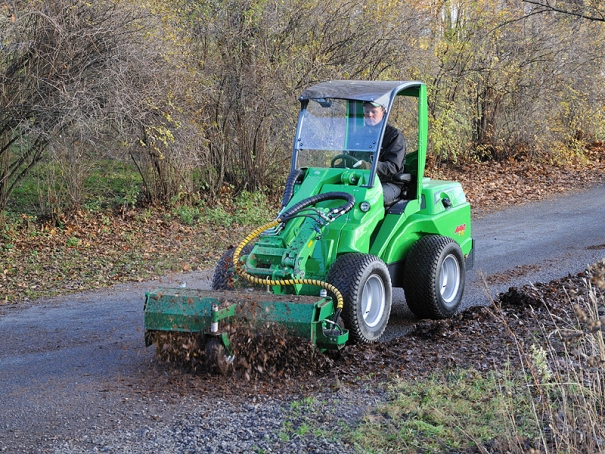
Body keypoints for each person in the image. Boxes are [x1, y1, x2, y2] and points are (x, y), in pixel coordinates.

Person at [352, 101, 407, 204]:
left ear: (383, 112)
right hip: (360, 180)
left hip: (388, 182)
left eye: (373, 111)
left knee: (371, 200)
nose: (369, 114)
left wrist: (370, 166)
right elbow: (350, 158)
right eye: (367, 111)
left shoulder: (394, 135)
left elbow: (393, 167)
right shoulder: (358, 134)